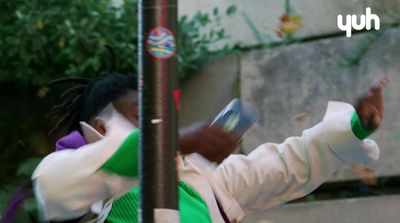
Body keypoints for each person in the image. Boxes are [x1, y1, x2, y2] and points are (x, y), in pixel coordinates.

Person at [32, 70, 389, 223]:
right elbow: (56, 185)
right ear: (99, 127)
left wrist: (354, 126)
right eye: (144, 114)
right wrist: (173, 140)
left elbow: (286, 165)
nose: (161, 124)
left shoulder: (203, 179)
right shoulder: (87, 183)